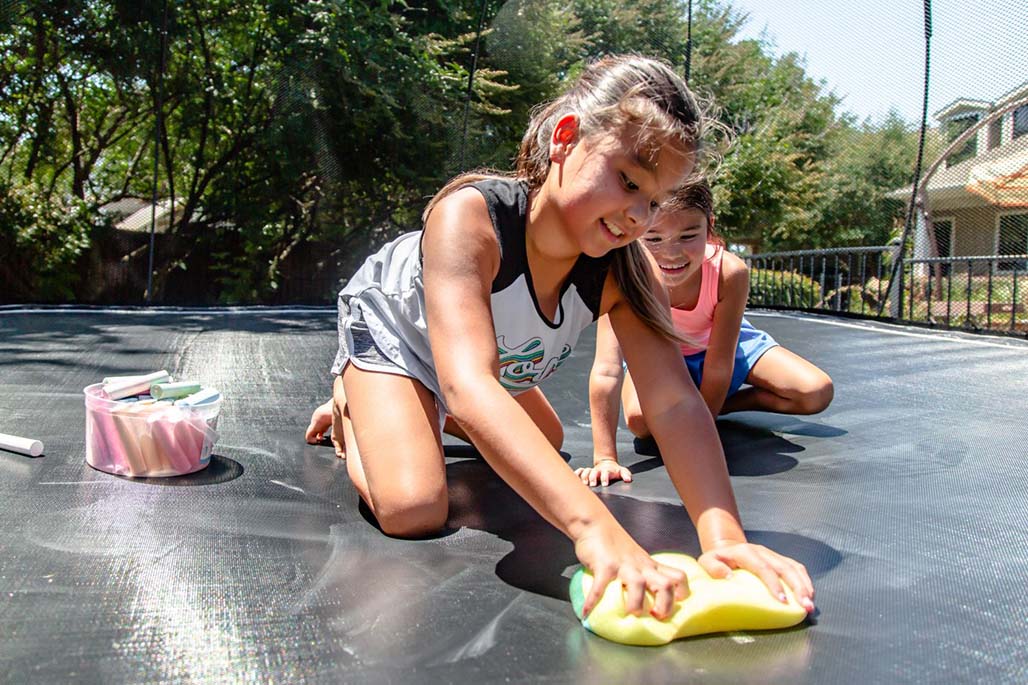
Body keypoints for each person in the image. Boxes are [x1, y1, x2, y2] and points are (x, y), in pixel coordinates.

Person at [310, 55, 814, 619]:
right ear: (566, 139)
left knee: (544, 441)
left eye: (653, 201)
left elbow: (673, 402)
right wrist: (595, 528)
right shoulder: (470, 219)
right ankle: (357, 403)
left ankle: (409, 409)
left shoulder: (624, 267)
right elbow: (472, 389)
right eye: (628, 181)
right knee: (414, 508)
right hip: (403, 330)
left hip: (494, 359)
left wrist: (724, 538)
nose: (637, 217)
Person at [578, 180, 834, 487]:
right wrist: (605, 457)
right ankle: (690, 403)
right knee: (641, 424)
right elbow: (607, 369)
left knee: (816, 392)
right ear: (636, 231)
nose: (671, 254)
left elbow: (719, 365)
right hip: (658, 353)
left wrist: (699, 425)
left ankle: (713, 405)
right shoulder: (623, 277)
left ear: (709, 227)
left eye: (688, 236)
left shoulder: (728, 272)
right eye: (654, 238)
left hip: (717, 346)